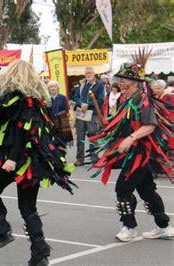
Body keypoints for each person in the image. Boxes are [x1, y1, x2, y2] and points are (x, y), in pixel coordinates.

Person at [0, 60, 76, 265]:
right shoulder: (36, 100)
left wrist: (11, 158)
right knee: (28, 208)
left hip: (14, 158)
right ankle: (40, 253)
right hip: (33, 161)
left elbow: (20, 130)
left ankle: (3, 230)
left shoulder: (16, 100)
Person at [89, 63, 173, 242]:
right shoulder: (126, 99)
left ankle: (129, 227)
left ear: (135, 82)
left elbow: (150, 125)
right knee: (147, 190)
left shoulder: (143, 99)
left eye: (124, 79)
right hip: (134, 152)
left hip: (141, 152)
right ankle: (164, 227)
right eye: (119, 79)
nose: (120, 82)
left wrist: (131, 138)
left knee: (122, 188)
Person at [73, 66, 105, 166]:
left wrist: (88, 105)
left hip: (93, 114)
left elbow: (101, 100)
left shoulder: (99, 85)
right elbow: (76, 97)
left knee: (93, 136)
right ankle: (80, 159)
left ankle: (94, 159)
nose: (88, 75)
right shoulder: (82, 84)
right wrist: (81, 103)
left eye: (90, 73)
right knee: (80, 137)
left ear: (94, 73)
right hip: (81, 113)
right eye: (86, 73)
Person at [47, 80, 73, 144]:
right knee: (52, 143)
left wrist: (56, 116)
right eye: (50, 87)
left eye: (54, 86)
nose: (52, 88)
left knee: (62, 143)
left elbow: (66, 109)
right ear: (48, 89)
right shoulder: (47, 98)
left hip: (62, 123)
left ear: (57, 88)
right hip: (50, 123)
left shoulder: (63, 97)